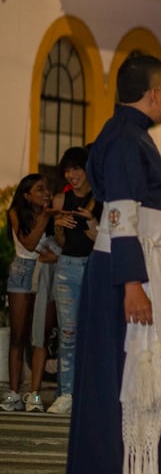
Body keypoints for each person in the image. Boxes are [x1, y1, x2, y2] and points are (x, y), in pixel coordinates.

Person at [65, 53, 161, 474]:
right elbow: (122, 214)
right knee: (131, 371)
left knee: (132, 370)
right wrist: (133, 282)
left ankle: (142, 471)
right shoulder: (128, 139)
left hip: (128, 261)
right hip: (128, 266)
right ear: (153, 94)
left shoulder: (119, 134)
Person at [47, 147, 100, 415]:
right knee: (68, 333)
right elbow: (60, 244)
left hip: (94, 268)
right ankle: (66, 393)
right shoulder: (60, 200)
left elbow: (103, 241)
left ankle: (88, 393)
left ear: (87, 168)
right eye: (67, 170)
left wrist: (91, 223)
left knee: (93, 334)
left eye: (76, 168)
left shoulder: (102, 199)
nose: (72, 175)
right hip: (67, 268)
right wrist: (59, 225)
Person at [4, 174, 59, 413]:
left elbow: (63, 244)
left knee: (41, 337)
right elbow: (28, 243)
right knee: (18, 336)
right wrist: (45, 217)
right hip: (21, 272)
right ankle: (14, 393)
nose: (46, 193)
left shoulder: (53, 215)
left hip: (45, 272)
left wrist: (51, 218)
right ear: (27, 195)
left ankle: (34, 395)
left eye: (46, 189)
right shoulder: (16, 212)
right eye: (39, 190)